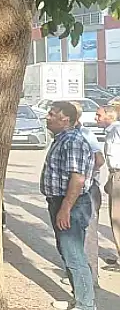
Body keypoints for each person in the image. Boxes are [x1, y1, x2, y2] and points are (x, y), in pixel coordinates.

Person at [41, 101, 95, 310]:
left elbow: (78, 179)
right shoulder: (62, 139)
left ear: (65, 119)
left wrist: (65, 209)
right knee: (67, 252)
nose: (47, 117)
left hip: (71, 204)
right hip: (59, 202)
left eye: (52, 114)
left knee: (74, 255)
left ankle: (86, 305)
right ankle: (79, 298)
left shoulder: (73, 141)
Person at [69, 102, 105, 286]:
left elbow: (99, 159)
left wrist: (86, 174)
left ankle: (90, 277)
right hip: (75, 189)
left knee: (88, 232)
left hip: (86, 190)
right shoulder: (67, 135)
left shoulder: (84, 134)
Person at [96, 104, 120, 268]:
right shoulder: (111, 131)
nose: (96, 118)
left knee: (117, 218)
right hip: (114, 174)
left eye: (99, 115)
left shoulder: (117, 130)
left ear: (110, 116)